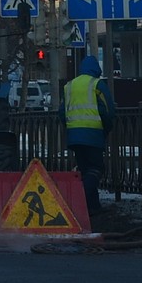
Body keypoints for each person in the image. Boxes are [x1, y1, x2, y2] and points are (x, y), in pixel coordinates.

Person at [61, 54, 115, 219]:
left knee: (85, 169)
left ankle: (93, 207)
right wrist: (106, 129)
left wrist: (70, 129)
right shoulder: (97, 84)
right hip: (93, 133)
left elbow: (61, 112)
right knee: (96, 168)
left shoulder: (69, 86)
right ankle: (79, 200)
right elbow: (108, 110)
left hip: (74, 135)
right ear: (96, 70)